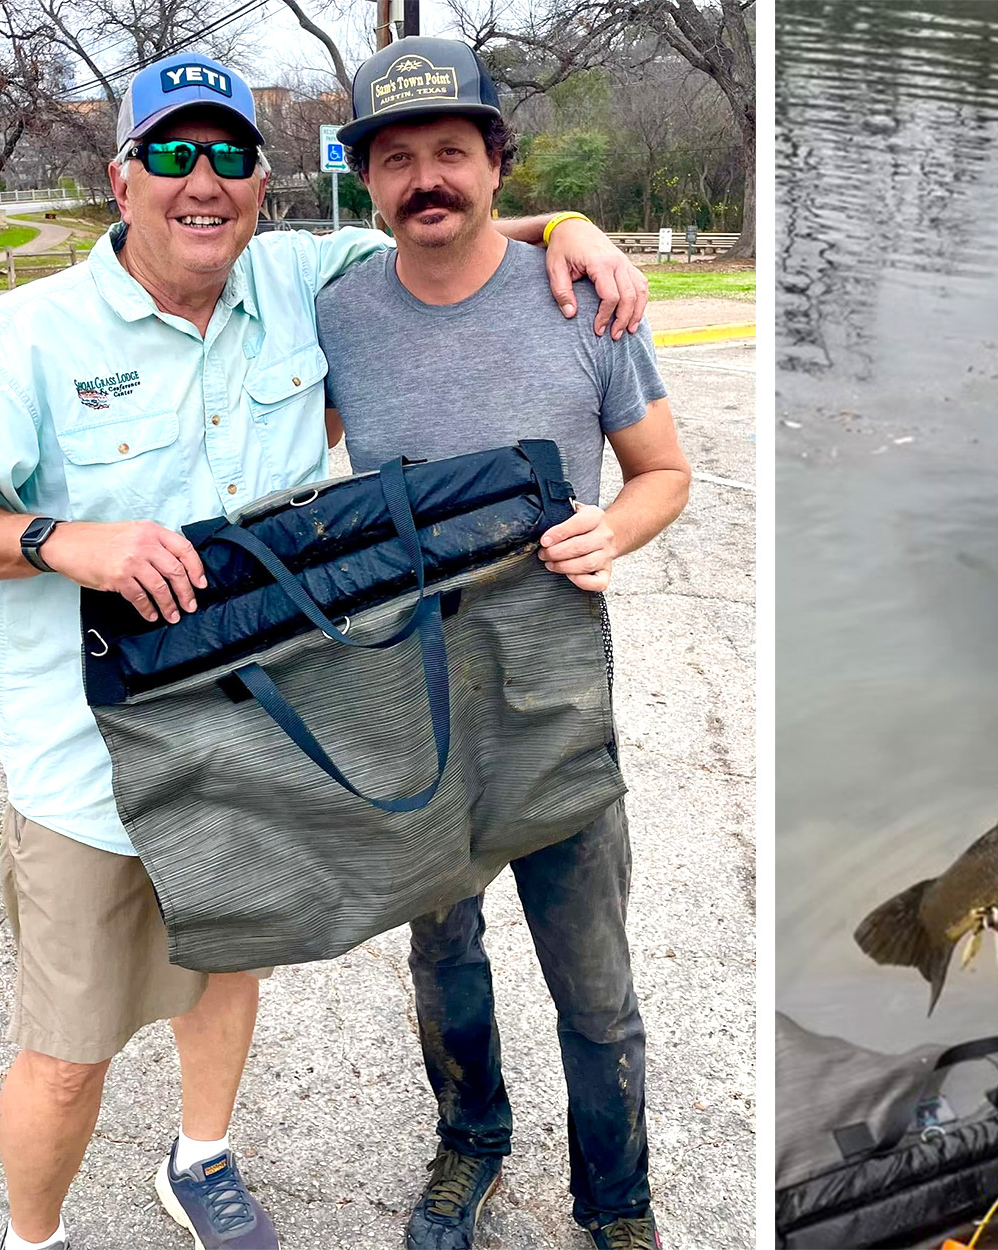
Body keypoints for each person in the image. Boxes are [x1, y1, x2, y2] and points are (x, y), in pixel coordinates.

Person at [0, 50, 648, 1250]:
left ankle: (202, 1159)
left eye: (231, 155)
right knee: (70, 1052)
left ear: (263, 180)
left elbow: (444, 219)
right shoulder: (29, 333)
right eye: (175, 154)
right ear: (121, 176)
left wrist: (574, 224)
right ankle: (29, 1238)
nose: (206, 180)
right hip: (89, 761)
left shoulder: (297, 280)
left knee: (225, 965)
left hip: (255, 730)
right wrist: (60, 539)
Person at [313, 37, 690, 1250]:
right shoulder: (338, 316)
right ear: (366, 180)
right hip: (408, 698)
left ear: (494, 164)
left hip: (554, 696)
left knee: (594, 978)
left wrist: (611, 530)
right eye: (399, 158)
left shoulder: (581, 300)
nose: (428, 180)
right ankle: (469, 1139)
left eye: (453, 154)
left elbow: (665, 472)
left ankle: (615, 1199)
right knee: (445, 953)